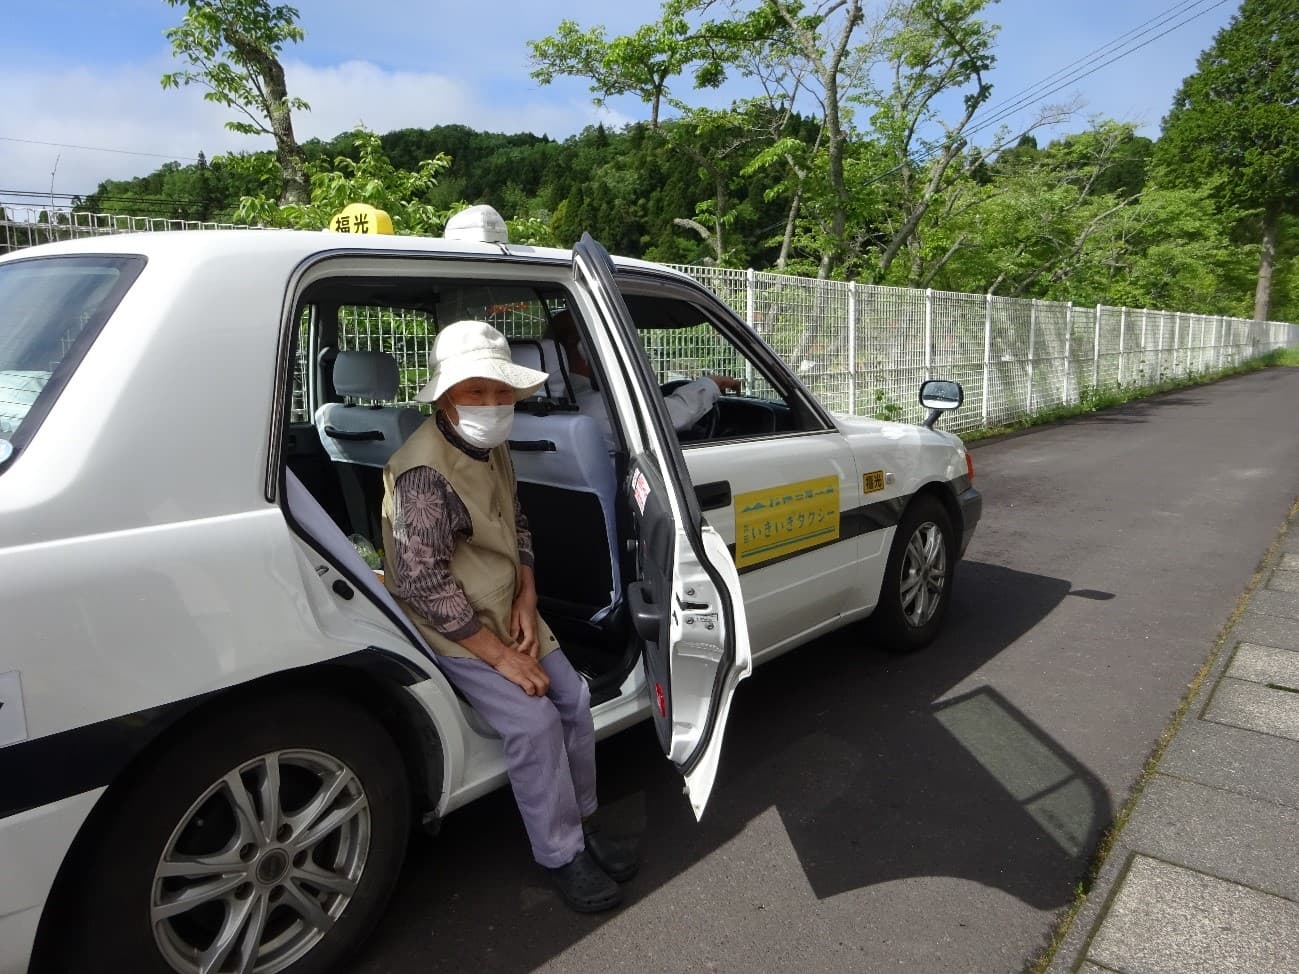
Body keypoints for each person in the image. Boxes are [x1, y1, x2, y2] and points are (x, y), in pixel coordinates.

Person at [380, 320, 638, 913]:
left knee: (572, 699)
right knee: (533, 723)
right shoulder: (422, 472)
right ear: (446, 396)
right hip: (451, 626)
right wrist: (500, 657)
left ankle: (585, 824)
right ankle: (561, 853)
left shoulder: (489, 446)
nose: (493, 405)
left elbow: (515, 519)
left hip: (504, 604)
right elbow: (421, 582)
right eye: (476, 392)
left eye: (501, 392)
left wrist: (527, 593)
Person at [547, 308, 740, 443]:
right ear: (586, 349)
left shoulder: (539, 406)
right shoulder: (603, 406)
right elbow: (672, 416)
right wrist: (712, 383)